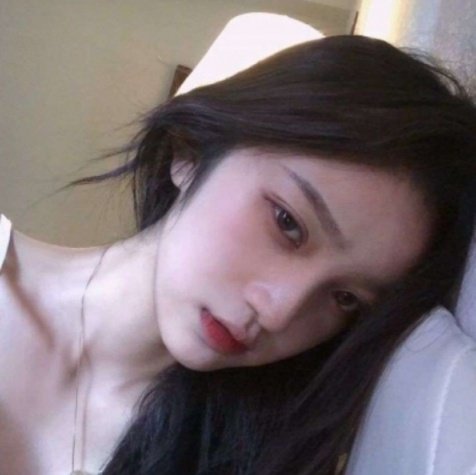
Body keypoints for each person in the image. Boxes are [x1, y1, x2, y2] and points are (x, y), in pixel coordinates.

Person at [1, 34, 476, 475]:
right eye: (287, 223)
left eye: (345, 298)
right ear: (190, 152)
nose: (279, 312)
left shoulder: (257, 454)